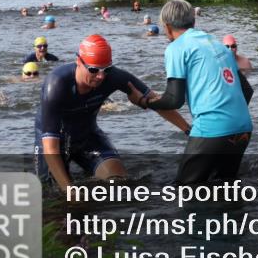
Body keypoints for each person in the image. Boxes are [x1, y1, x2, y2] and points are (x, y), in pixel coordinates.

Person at [33, 34, 189, 191]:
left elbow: (157, 102)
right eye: (93, 70)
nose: (101, 76)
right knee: (51, 195)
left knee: (118, 184)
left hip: (87, 136)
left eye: (106, 69)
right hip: (53, 140)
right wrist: (70, 191)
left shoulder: (114, 77)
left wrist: (189, 130)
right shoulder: (57, 84)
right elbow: (50, 147)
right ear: (79, 62)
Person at [146, 0, 252, 184]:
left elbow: (174, 100)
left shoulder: (176, 48)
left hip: (212, 128)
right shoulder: (216, 43)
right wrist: (230, 118)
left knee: (183, 190)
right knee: (225, 187)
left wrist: (147, 102)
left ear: (168, 27)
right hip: (243, 127)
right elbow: (247, 90)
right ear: (193, 21)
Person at [222, 34, 254, 104]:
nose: (230, 49)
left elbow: (249, 78)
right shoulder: (220, 63)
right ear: (222, 48)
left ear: (236, 48)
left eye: (233, 46)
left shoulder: (245, 62)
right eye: (227, 46)